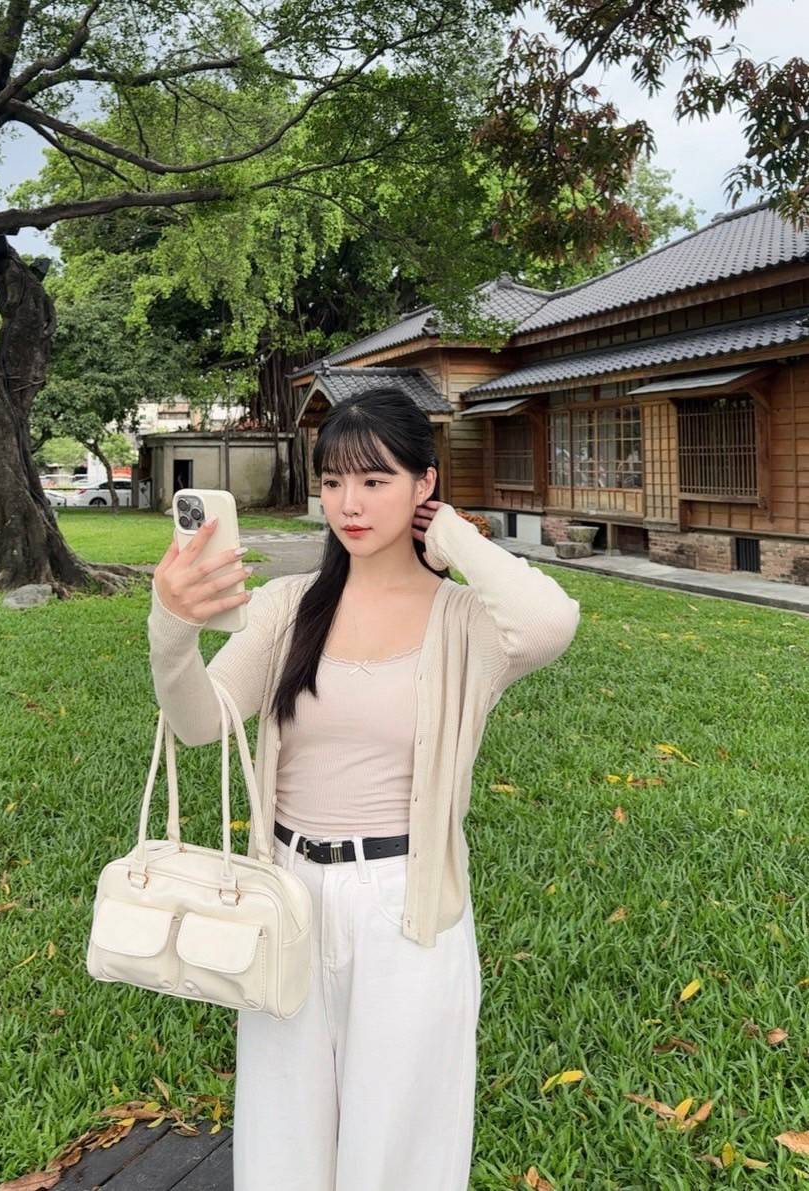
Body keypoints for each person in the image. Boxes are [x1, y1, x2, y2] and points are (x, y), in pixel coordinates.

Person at [147, 388, 580, 1191]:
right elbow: (200, 721)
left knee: (398, 1145)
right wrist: (171, 629)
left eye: (375, 480)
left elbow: (550, 620)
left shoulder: (466, 622)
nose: (349, 503)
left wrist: (451, 534)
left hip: (406, 904)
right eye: (334, 481)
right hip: (286, 894)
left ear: (424, 482)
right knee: (284, 1138)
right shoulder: (288, 609)